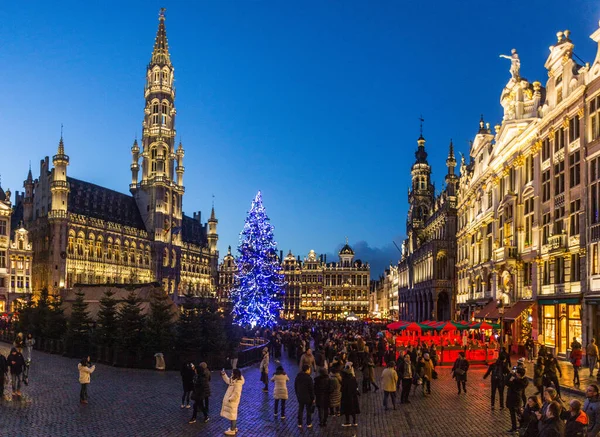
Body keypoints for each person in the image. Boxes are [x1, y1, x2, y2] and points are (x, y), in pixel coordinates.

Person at [220, 368, 244, 436]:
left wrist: (231, 399)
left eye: (232, 373)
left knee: (233, 415)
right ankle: (234, 427)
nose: (231, 373)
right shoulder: (234, 379)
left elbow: (237, 393)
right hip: (232, 401)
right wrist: (224, 375)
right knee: (232, 414)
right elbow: (228, 381)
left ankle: (232, 430)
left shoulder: (238, 383)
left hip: (233, 401)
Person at [506, 367, 529, 433]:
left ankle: (518, 426)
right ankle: (518, 426)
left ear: (518, 374)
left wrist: (510, 375)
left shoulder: (516, 381)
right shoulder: (524, 380)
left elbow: (506, 382)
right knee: (517, 413)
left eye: (517, 372)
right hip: (516, 399)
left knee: (517, 414)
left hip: (514, 399)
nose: (515, 373)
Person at [295, 364, 315, 429]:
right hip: (308, 397)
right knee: (308, 410)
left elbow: (295, 386)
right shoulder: (309, 378)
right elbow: (311, 389)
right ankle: (308, 423)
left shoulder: (298, 377)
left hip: (300, 396)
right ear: (307, 370)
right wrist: (313, 398)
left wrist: (297, 394)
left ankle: (299, 423)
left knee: (300, 409)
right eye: (309, 369)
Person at [340, 362, 360, 427]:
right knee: (353, 409)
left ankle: (347, 422)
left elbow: (342, 389)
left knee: (347, 410)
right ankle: (354, 422)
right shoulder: (353, 378)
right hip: (353, 397)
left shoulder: (344, 380)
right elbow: (356, 386)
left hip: (346, 397)